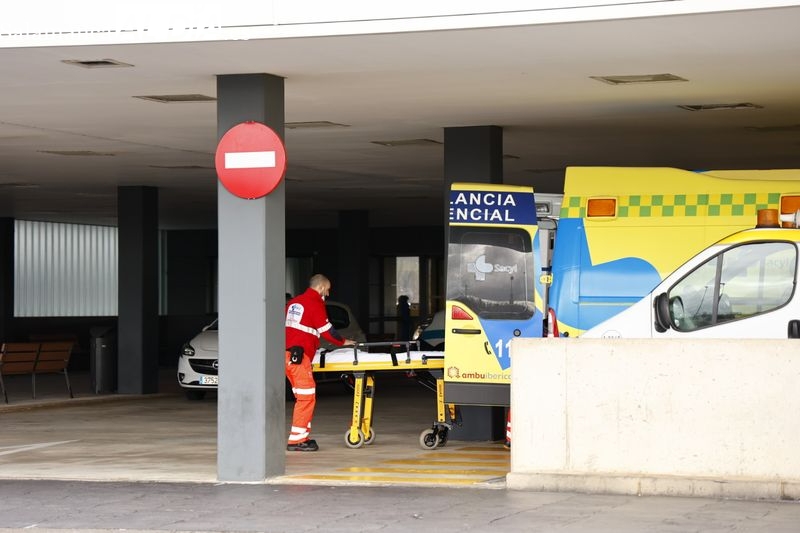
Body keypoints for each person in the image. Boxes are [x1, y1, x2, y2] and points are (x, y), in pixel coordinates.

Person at [284, 274, 356, 451]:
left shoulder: (294, 303)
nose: (328, 293)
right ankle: (297, 441)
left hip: (289, 355)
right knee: (306, 397)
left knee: (303, 397)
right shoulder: (314, 303)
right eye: (328, 289)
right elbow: (327, 330)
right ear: (322, 288)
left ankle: (300, 438)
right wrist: (343, 342)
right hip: (299, 357)